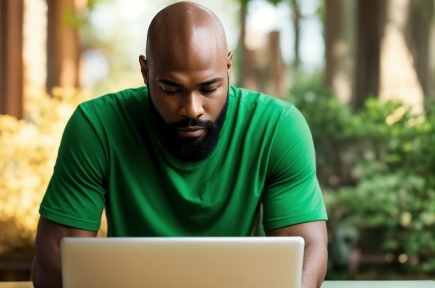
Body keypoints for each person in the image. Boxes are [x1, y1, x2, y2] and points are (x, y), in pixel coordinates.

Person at [32, 1, 328, 287]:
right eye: (171, 90)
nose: (192, 109)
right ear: (146, 72)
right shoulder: (96, 128)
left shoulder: (277, 128)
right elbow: (55, 262)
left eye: (209, 88)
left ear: (228, 66)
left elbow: (307, 248)